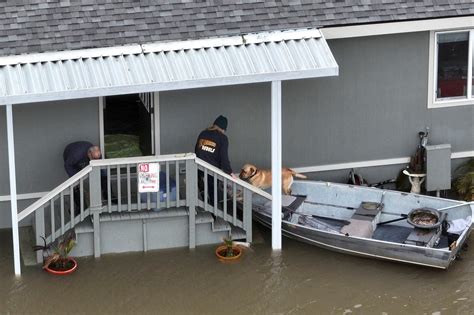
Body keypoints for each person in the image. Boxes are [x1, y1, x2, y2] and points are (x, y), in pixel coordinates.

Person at [195, 115, 235, 204]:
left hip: (199, 167)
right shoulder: (223, 138)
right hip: (212, 170)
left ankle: (204, 200)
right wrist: (229, 172)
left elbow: (196, 150)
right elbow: (224, 157)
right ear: (223, 129)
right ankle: (213, 213)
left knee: (202, 187)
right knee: (213, 192)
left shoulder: (203, 133)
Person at [63, 141, 103, 213]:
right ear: (89, 154)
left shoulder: (97, 154)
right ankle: (79, 207)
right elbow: (67, 165)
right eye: (94, 159)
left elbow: (100, 166)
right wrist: (75, 179)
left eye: (97, 159)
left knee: (103, 174)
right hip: (71, 161)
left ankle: (107, 194)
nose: (96, 161)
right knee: (75, 185)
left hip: (83, 157)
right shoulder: (75, 156)